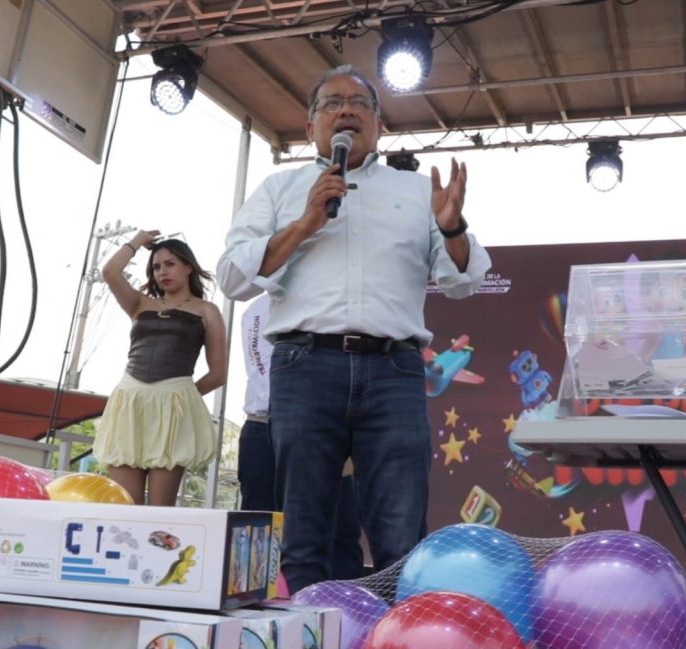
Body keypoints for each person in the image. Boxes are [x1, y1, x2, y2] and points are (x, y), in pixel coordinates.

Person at [217, 64, 491, 593]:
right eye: (332, 103)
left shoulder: (418, 191)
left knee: (400, 534)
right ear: (310, 126)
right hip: (304, 366)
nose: (346, 110)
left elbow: (464, 279)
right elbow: (232, 278)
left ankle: (399, 626)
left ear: (379, 125)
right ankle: (305, 625)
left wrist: (452, 226)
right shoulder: (279, 190)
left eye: (359, 103)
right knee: (303, 535)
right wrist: (304, 223)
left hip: (393, 369)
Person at [93, 230, 228, 506]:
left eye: (170, 264)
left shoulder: (207, 311)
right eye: (156, 267)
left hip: (173, 409)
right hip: (130, 402)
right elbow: (110, 272)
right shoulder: (140, 303)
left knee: (159, 510)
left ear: (188, 267)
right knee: (124, 507)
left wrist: (182, 397)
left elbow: (218, 374)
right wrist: (137, 241)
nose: (162, 272)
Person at [239, 295, 365, 579]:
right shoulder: (255, 309)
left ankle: (343, 598)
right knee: (258, 527)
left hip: (322, 428)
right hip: (262, 423)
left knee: (339, 526)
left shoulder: (329, 300)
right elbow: (260, 366)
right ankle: (257, 598)